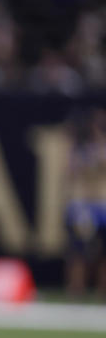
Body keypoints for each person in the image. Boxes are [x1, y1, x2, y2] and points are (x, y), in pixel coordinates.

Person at [64, 105, 106, 298]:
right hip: (83, 205)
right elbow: (71, 170)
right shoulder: (79, 147)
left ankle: (102, 290)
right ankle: (76, 289)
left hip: (102, 203)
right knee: (78, 251)